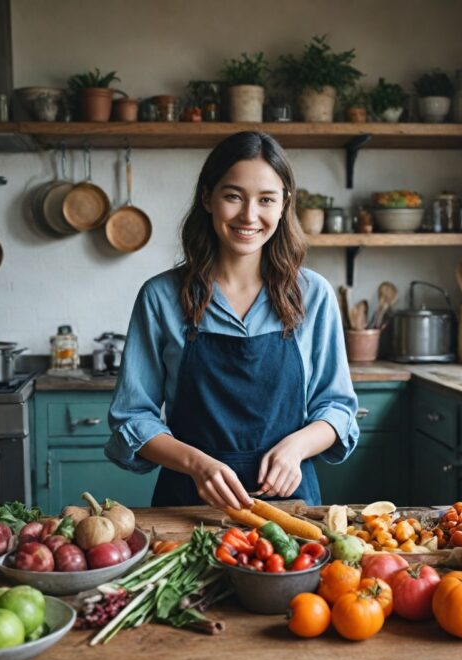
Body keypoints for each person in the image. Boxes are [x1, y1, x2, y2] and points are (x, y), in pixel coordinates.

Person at [105, 131, 359, 510]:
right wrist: (197, 464)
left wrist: (296, 447)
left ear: (284, 204)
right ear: (207, 198)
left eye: (266, 199)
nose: (249, 215)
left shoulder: (313, 295)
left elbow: (337, 409)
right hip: (188, 504)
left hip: (289, 508)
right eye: (233, 196)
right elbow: (131, 417)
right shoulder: (161, 297)